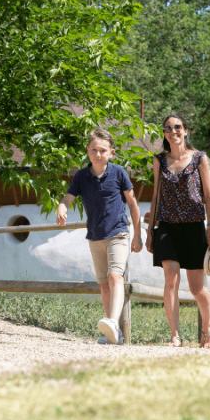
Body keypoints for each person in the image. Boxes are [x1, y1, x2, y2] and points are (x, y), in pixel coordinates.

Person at [56, 129, 143, 345]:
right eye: (94, 150)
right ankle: (114, 334)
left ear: (111, 153)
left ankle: (113, 322)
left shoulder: (119, 172)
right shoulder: (81, 176)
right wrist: (61, 208)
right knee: (104, 284)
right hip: (95, 236)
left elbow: (132, 204)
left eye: (103, 150)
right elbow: (67, 198)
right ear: (87, 150)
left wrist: (138, 234)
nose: (97, 154)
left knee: (116, 277)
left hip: (118, 233)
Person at [146, 114, 210, 348]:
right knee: (171, 278)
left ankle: (207, 329)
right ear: (164, 133)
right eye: (168, 128)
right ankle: (175, 336)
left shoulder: (199, 158)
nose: (173, 131)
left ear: (186, 131)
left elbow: (209, 196)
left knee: (197, 289)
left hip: (194, 226)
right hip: (167, 226)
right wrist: (150, 230)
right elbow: (156, 196)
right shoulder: (159, 159)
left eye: (177, 127)